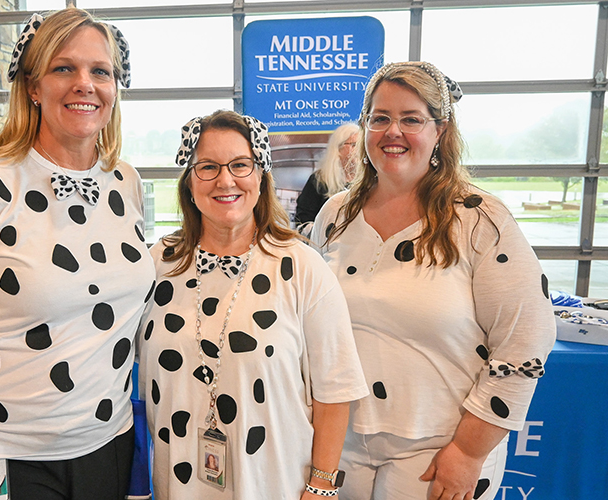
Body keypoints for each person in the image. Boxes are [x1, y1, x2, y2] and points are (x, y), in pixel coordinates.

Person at [0, 9, 155, 500]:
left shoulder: (125, 181)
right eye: (64, 68)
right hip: (3, 453)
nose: (85, 83)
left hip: (107, 441)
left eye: (100, 71)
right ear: (33, 87)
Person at [312, 61, 556, 500]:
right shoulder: (335, 214)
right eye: (380, 118)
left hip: (438, 449)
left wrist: (467, 450)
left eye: (411, 119)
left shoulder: (480, 219)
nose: (393, 132)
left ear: (440, 131)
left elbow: (526, 341)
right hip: (340, 443)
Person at [137, 110, 369, 499]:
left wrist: (321, 488)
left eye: (240, 165)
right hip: (178, 485)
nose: (225, 180)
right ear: (189, 181)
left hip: (275, 485)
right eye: (208, 167)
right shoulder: (157, 264)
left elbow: (335, 391)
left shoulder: (301, 266)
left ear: (261, 177)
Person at [295, 122, 360, 237]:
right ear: (338, 149)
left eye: (361, 145)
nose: (358, 150)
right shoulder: (319, 180)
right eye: (354, 145)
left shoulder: (370, 179)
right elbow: (303, 220)